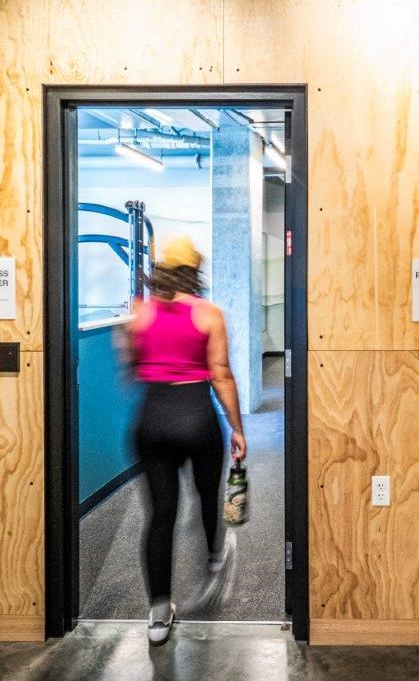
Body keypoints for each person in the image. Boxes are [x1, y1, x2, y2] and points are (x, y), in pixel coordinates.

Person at [119, 234, 247, 646]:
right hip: (196, 417)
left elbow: (131, 368)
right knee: (206, 493)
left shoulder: (138, 313)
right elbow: (221, 375)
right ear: (195, 272)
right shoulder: (209, 313)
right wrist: (238, 428)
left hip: (152, 420)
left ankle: (158, 614)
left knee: (160, 515)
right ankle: (214, 557)